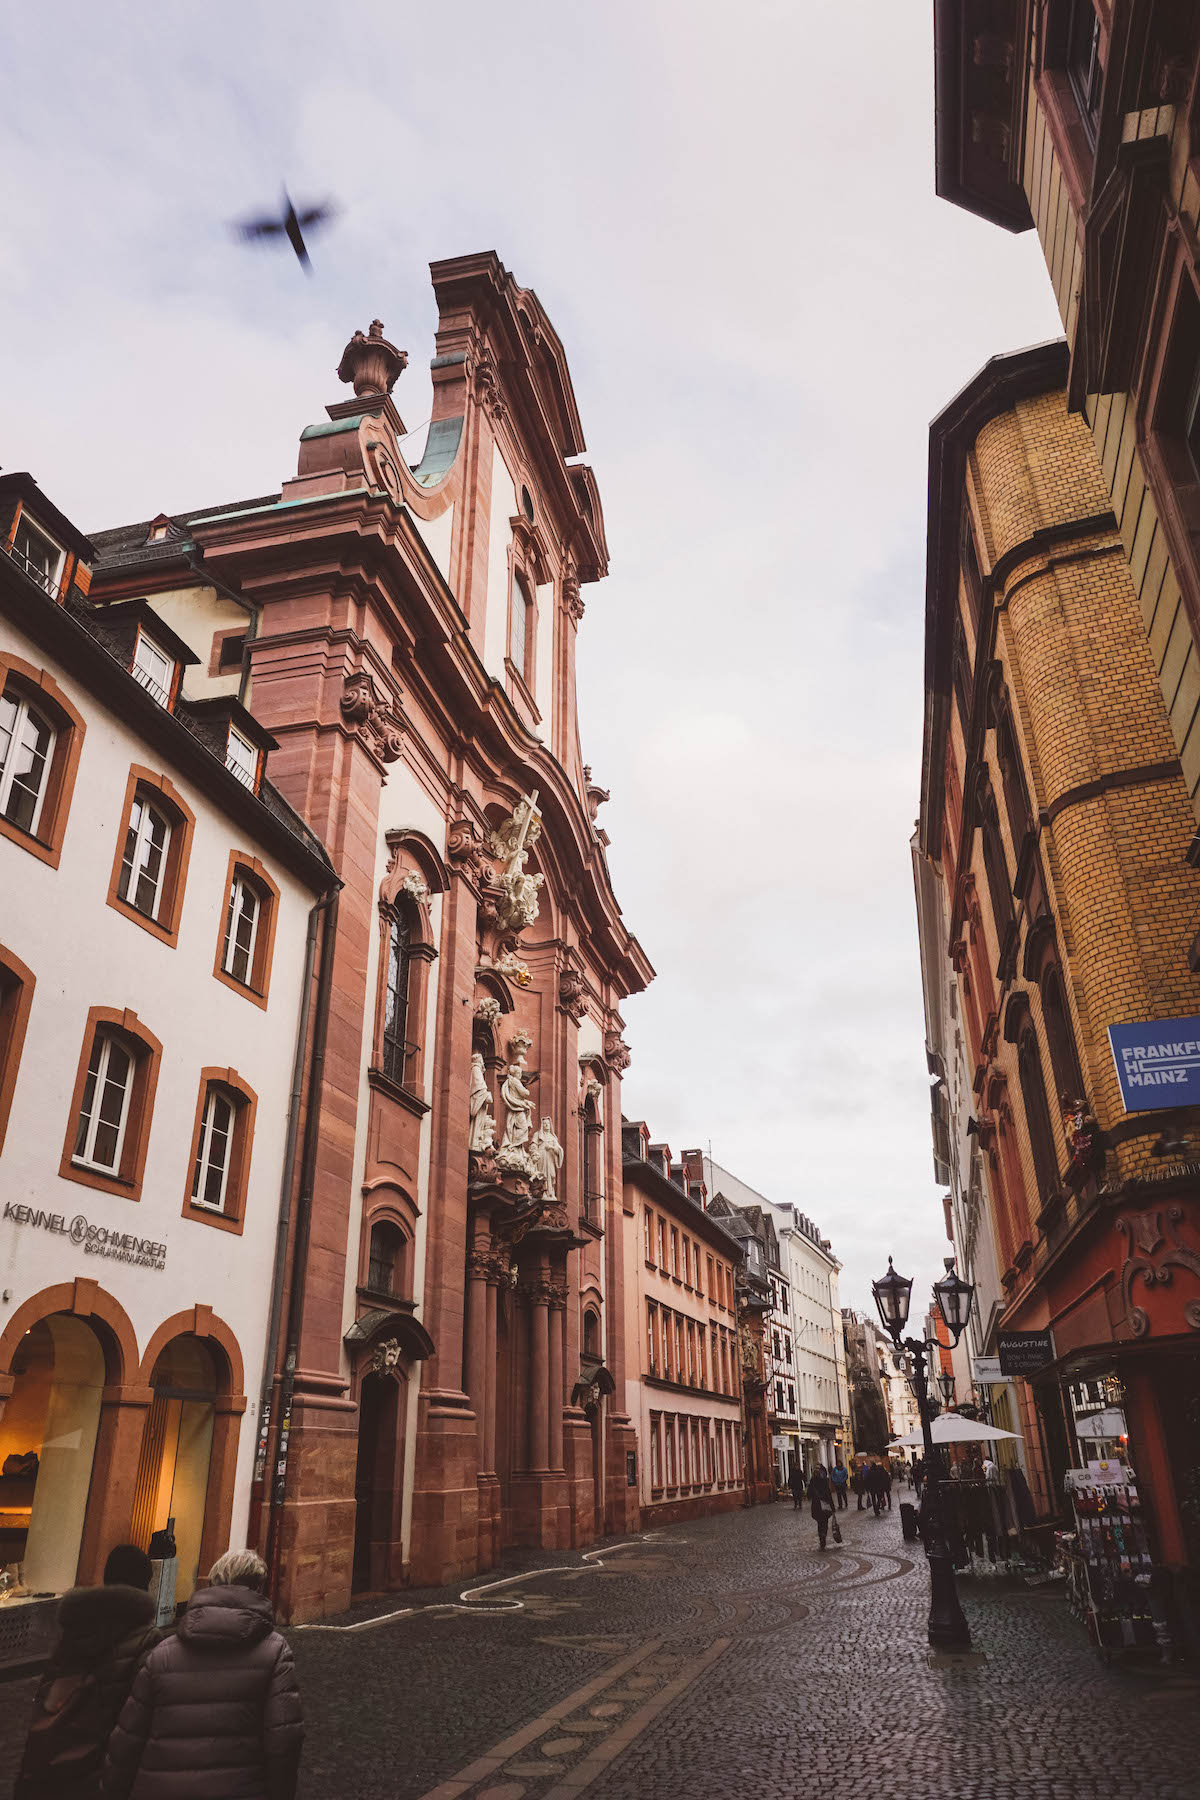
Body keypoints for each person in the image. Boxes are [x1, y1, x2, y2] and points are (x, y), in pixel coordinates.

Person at [102, 1549, 303, 1800]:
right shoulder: (275, 1652)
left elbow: (128, 1738)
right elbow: (283, 1742)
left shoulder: (163, 1652)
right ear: (258, 1588)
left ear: (213, 1583)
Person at [15, 1545, 161, 1800]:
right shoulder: (145, 1639)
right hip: (100, 1774)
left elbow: (47, 1702)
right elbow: (138, 1721)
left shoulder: (74, 1631)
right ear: (144, 1584)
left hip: (51, 1771)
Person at [808, 1463, 835, 1549]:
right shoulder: (824, 1481)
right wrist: (832, 1506)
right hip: (825, 1503)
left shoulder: (812, 1481)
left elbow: (809, 1494)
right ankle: (823, 1535)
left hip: (816, 1505)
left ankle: (821, 1536)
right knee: (825, 1521)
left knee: (820, 1522)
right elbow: (828, 1493)